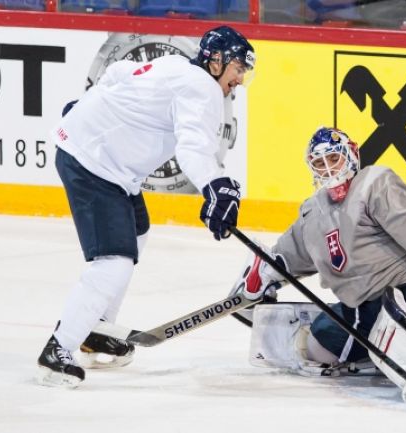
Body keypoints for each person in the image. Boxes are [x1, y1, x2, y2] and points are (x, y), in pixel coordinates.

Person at [36, 26, 256, 387]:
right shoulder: (202, 88)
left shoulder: (175, 64)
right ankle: (60, 348)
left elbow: (118, 73)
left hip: (103, 160)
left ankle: (96, 328)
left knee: (137, 230)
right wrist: (214, 187)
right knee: (114, 261)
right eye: (238, 69)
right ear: (216, 62)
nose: (241, 79)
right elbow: (192, 149)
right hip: (94, 163)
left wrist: (91, 106)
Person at [231, 126, 406, 404]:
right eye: (319, 164)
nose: (329, 169)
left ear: (352, 154)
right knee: (317, 346)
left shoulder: (373, 184)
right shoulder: (313, 213)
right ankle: (378, 356)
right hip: (363, 312)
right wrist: (262, 276)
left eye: (333, 159)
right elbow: (290, 253)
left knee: (401, 328)